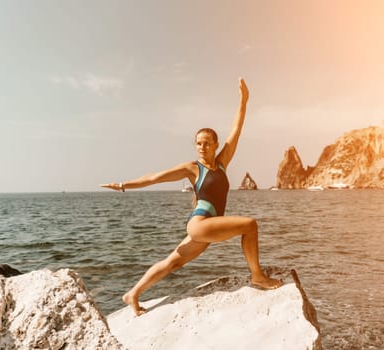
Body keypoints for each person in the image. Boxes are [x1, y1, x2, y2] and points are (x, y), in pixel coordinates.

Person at [101, 78, 283, 316]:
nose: (202, 147)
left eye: (207, 143)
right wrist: (124, 185)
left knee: (172, 262)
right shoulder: (192, 168)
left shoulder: (222, 163)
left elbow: (236, 129)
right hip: (199, 225)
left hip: (204, 230)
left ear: (216, 145)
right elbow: (156, 177)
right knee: (250, 225)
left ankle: (132, 294)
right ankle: (257, 276)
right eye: (198, 144)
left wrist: (244, 100)